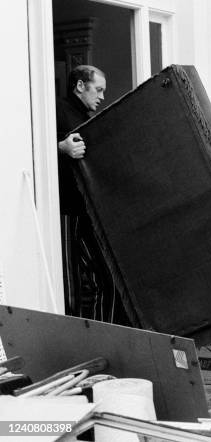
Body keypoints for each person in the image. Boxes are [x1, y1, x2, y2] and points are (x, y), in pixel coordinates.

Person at [56, 65, 125, 323]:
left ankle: (99, 337)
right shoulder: (58, 110)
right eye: (98, 89)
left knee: (103, 281)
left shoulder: (84, 117)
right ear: (80, 86)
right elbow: (32, 147)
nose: (102, 96)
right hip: (65, 212)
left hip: (85, 210)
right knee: (70, 286)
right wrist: (61, 147)